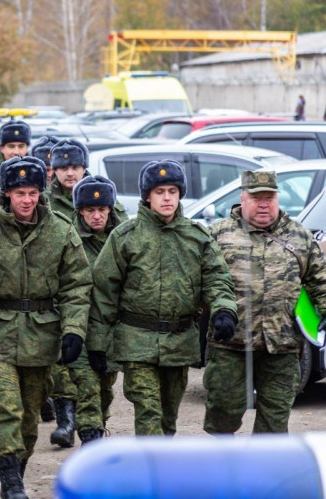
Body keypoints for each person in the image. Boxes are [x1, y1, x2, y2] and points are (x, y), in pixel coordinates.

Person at [0, 155, 91, 499]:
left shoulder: (60, 231)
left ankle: (15, 473)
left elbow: (77, 285)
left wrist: (74, 330)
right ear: (6, 195)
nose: (27, 200)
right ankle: (12, 484)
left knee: (30, 417)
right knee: (7, 407)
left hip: (41, 337)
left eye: (33, 192)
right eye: (20, 193)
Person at [87, 160, 238, 436]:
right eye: (159, 191)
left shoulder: (197, 237)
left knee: (168, 421)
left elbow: (217, 279)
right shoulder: (126, 237)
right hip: (136, 342)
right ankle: (149, 477)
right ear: (147, 196)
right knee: (149, 414)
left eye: (172, 190)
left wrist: (224, 310)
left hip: (179, 343)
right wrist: (97, 344)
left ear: (180, 194)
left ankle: (160, 472)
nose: (167, 197)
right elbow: (103, 293)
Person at [204, 170, 326, 434]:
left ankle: (264, 472)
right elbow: (201, 280)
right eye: (256, 197)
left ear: (277, 199)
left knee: (275, 422)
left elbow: (320, 279)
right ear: (242, 198)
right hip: (230, 344)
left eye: (269, 198)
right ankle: (222, 468)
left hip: (281, 346)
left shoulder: (299, 237)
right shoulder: (218, 235)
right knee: (222, 414)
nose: (263, 204)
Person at [67, 175, 124, 444]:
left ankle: (97, 432)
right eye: (90, 210)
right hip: (80, 327)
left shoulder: (123, 239)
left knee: (104, 391)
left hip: (112, 333)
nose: (97, 216)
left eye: (102, 210)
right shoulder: (69, 240)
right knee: (87, 390)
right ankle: (91, 443)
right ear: (80, 211)